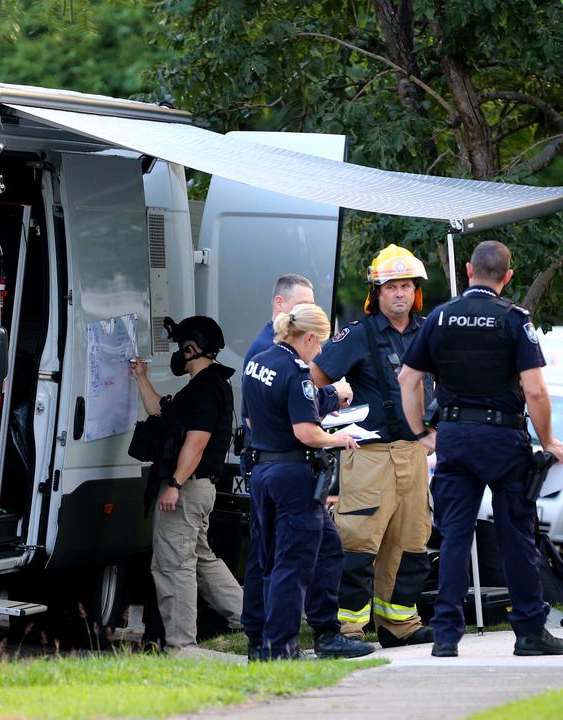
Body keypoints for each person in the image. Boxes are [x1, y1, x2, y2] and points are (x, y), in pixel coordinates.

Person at [398, 240, 563, 658]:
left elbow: (407, 379)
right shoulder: (514, 320)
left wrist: (422, 432)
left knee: (454, 536)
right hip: (503, 440)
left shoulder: (438, 318)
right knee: (516, 536)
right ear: (507, 277)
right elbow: (535, 389)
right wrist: (547, 441)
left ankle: (445, 635)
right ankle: (530, 632)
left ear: (469, 270)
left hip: (454, 437)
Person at [310, 244, 436, 647]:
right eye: (391, 287)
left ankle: (400, 625)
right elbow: (316, 377)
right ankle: (346, 630)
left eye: (406, 286)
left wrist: (434, 432)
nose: (400, 294)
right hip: (368, 455)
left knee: (412, 540)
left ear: (415, 291)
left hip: (414, 454)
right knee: (357, 542)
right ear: (376, 293)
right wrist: (332, 412)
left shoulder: (426, 331)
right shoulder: (358, 334)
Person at [242, 303, 373, 659]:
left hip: (264, 471)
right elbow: (306, 432)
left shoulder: (259, 361)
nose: (320, 354)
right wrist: (340, 438)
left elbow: (260, 416)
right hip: (292, 476)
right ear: (310, 337)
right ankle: (280, 646)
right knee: (293, 563)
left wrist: (327, 397)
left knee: (302, 553)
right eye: (321, 346)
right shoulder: (296, 371)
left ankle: (283, 637)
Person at [130, 315, 242, 652]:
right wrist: (141, 379)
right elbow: (161, 412)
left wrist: (175, 484)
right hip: (199, 488)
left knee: (172, 565)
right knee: (201, 559)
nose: (178, 355)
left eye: (181, 348)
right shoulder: (203, 387)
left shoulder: (206, 389)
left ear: (192, 349)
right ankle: (252, 618)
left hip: (188, 487)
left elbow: (197, 442)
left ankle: (180, 646)